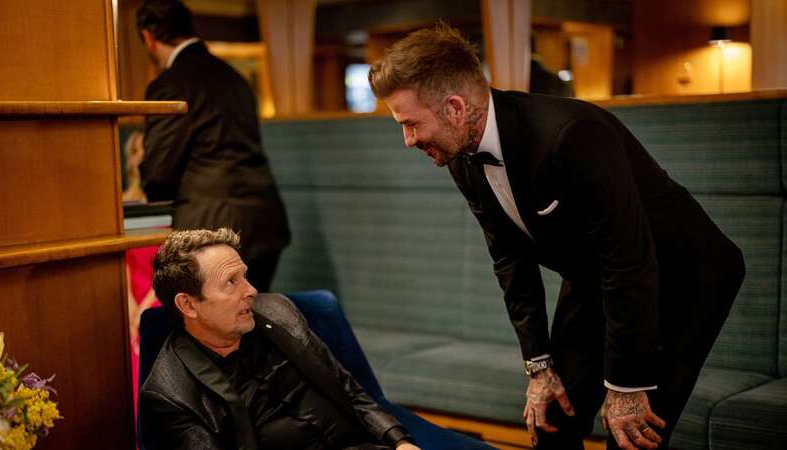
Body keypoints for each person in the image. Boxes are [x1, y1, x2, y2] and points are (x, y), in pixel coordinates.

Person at [368, 24, 745, 450]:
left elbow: (629, 259)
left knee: (634, 435)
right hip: (597, 275)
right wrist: (538, 366)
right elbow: (510, 260)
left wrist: (625, 384)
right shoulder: (459, 155)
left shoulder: (570, 135)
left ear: (455, 107)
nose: (408, 140)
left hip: (684, 276)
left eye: (412, 124)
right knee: (552, 423)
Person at [139, 228, 421, 450]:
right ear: (188, 305)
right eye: (230, 282)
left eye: (245, 277)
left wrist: (399, 441)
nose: (251, 291)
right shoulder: (172, 395)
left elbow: (347, 388)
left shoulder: (277, 311)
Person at [136, 0, 290, 291]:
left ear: (148, 38)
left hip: (211, 227)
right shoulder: (236, 78)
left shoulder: (169, 85)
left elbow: (158, 172)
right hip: (265, 218)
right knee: (253, 314)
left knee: (212, 326)